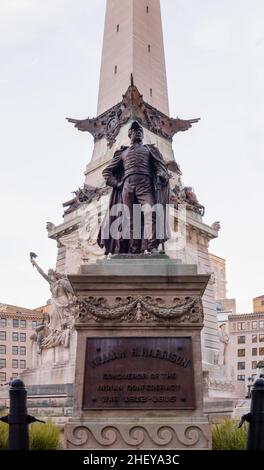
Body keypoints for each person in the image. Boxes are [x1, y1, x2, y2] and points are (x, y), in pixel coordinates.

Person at [98, 121, 170, 255]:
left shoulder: (150, 150)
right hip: (127, 186)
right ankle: (135, 249)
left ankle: (153, 246)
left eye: (140, 131)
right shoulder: (122, 153)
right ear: (130, 134)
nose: (138, 133)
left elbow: (161, 167)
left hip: (145, 184)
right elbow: (106, 172)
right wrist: (117, 183)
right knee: (132, 219)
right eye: (135, 131)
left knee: (151, 212)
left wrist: (162, 174)